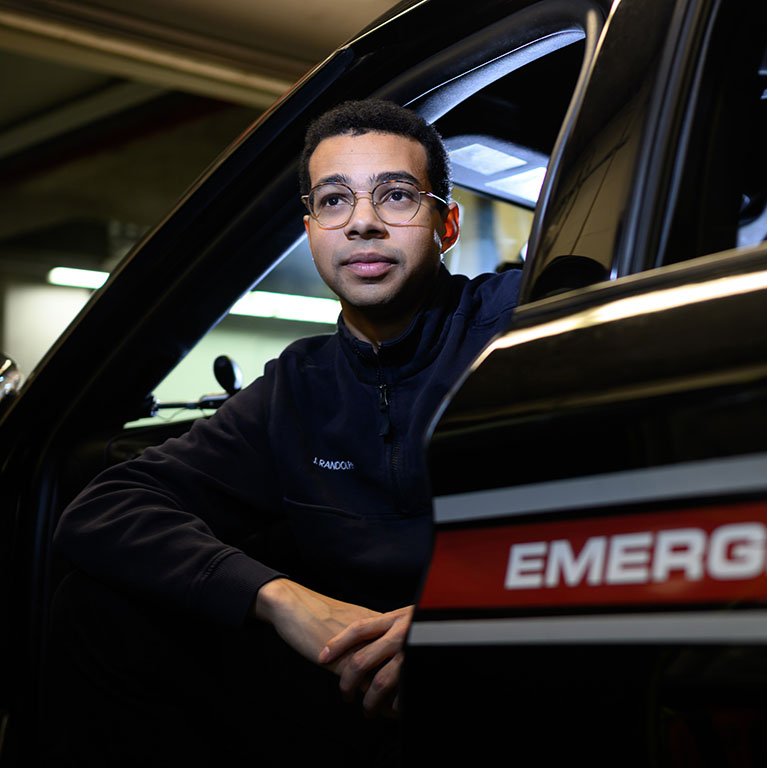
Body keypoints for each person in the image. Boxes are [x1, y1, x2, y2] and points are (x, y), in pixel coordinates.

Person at [48, 99, 522, 764]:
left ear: (446, 224)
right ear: (311, 231)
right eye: (334, 201)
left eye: (395, 196)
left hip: (513, 675)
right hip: (352, 687)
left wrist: (470, 620)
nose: (362, 222)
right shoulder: (297, 388)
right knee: (97, 608)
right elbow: (102, 509)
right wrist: (281, 601)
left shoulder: (521, 326)